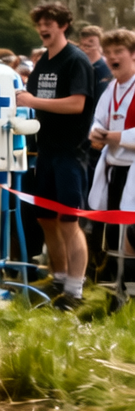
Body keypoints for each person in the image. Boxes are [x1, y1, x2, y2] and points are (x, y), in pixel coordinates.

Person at [17, 2, 95, 310]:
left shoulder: (76, 60)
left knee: (68, 222)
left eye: (49, 22)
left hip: (70, 154)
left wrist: (32, 99)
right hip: (45, 152)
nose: (43, 28)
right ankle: (59, 278)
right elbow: (34, 103)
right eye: (39, 23)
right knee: (45, 218)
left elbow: (77, 104)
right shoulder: (43, 63)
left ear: (63, 25)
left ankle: (75, 292)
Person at [87, 29, 135, 260]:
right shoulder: (111, 88)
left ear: (133, 54)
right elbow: (98, 120)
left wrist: (110, 136)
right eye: (107, 53)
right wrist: (96, 133)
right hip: (113, 168)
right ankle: (118, 287)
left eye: (118, 51)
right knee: (113, 231)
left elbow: (112, 132)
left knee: (131, 233)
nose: (112, 57)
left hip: (132, 168)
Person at [79, 24, 114, 100]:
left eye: (90, 44)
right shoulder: (79, 66)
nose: (85, 47)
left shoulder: (106, 67)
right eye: (83, 44)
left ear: (100, 45)